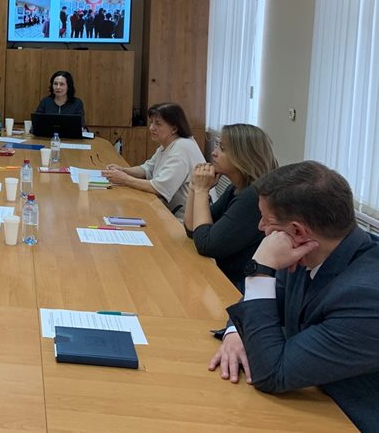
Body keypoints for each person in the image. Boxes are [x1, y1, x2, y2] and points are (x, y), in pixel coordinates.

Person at [208, 161, 379, 431]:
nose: (260, 227)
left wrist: (260, 270)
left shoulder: (367, 298)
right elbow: (262, 301)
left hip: (349, 419)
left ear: (298, 231)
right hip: (314, 400)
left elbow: (272, 373)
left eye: (267, 220)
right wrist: (234, 333)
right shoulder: (307, 252)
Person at [184, 124, 278, 290]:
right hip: (226, 278)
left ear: (243, 156)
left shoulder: (254, 197)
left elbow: (206, 244)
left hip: (239, 287)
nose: (214, 153)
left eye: (222, 148)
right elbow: (193, 230)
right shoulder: (236, 188)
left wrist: (201, 190)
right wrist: (194, 186)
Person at [103, 102, 204, 214]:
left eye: (158, 124)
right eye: (151, 122)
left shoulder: (182, 148)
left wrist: (125, 179)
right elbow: (147, 169)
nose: (151, 128)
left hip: (182, 217)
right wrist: (123, 170)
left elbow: (159, 188)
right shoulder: (168, 144)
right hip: (167, 208)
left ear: (174, 129)